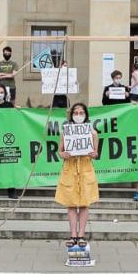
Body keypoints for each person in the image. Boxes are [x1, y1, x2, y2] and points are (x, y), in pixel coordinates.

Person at [55, 103, 100, 248]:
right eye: (76, 112)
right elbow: (60, 151)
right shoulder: (65, 132)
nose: (79, 115)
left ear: (86, 115)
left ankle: (81, 235)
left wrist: (94, 154)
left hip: (86, 169)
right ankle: (73, 235)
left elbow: (96, 153)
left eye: (81, 113)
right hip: (70, 169)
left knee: (85, 203)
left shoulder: (92, 133)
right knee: (71, 204)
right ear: (71, 115)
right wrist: (64, 154)